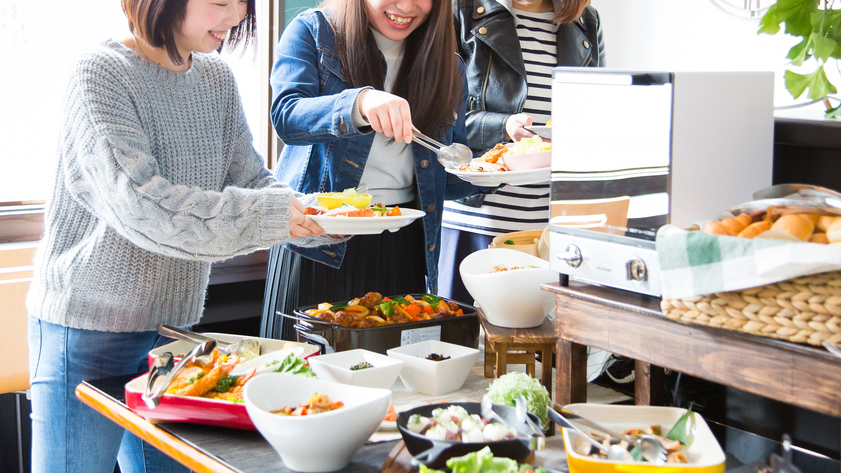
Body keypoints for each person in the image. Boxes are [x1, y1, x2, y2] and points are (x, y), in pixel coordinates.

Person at [25, 1, 341, 472]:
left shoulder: (216, 79)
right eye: (219, 2)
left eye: (243, 3)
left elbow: (252, 180)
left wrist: (319, 217)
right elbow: (141, 204)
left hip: (173, 339)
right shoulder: (101, 72)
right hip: (87, 331)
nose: (235, 17)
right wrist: (274, 215)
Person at [260, 0, 482, 340]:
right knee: (302, 378)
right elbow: (287, 115)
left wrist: (499, 171)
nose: (406, 6)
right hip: (318, 240)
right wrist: (358, 104)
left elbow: (445, 174)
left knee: (395, 385)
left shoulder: (447, 65)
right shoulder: (315, 32)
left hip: (402, 244)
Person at [438, 0, 605, 303]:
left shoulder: (586, 21)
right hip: (478, 218)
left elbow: (597, 112)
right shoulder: (461, 11)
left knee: (543, 343)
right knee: (464, 340)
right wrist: (503, 126)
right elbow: (439, 115)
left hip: (550, 228)